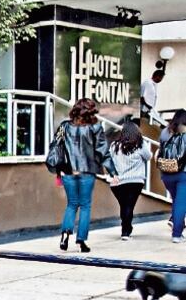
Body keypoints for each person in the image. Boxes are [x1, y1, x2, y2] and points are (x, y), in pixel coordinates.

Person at [55, 98, 112, 253]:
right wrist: (113, 171)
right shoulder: (95, 128)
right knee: (85, 205)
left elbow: (56, 147)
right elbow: (103, 151)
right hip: (87, 171)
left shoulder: (64, 126)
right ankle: (81, 241)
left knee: (72, 204)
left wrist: (59, 167)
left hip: (68, 171)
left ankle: (65, 233)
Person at [104, 122, 151, 240]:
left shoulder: (114, 145)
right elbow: (148, 156)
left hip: (117, 182)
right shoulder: (140, 144)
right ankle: (126, 231)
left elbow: (108, 161)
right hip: (135, 181)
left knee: (124, 205)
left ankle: (126, 228)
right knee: (129, 205)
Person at [159, 109, 186, 243]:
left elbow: (160, 148)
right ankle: (176, 234)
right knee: (181, 204)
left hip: (166, 172)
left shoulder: (165, 131)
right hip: (183, 174)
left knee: (176, 201)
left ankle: (178, 227)